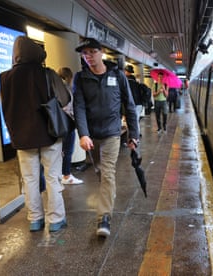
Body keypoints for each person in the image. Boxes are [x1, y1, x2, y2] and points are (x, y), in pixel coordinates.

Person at [73, 37, 139, 237]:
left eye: (92, 52)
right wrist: (83, 134)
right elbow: (79, 107)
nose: (88, 57)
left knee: (108, 173)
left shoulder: (117, 76)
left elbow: (129, 105)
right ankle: (108, 194)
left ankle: (104, 217)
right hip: (92, 135)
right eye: (85, 54)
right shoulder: (80, 78)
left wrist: (133, 134)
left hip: (112, 133)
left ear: (101, 52)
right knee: (101, 173)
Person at [0, 36, 67, 232]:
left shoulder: (5, 77)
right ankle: (55, 220)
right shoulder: (46, 74)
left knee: (29, 179)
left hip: (22, 137)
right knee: (53, 177)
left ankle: (35, 219)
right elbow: (63, 99)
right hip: (49, 133)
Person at [57, 67, 83, 185]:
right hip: (67, 124)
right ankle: (66, 175)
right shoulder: (67, 88)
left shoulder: (54, 88)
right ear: (69, 77)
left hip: (56, 125)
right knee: (68, 151)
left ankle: (59, 174)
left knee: (58, 151)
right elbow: (69, 107)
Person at [124, 64, 143, 136]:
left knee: (132, 120)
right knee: (135, 120)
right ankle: (137, 134)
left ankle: (134, 136)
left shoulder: (127, 82)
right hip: (139, 104)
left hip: (132, 104)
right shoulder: (136, 82)